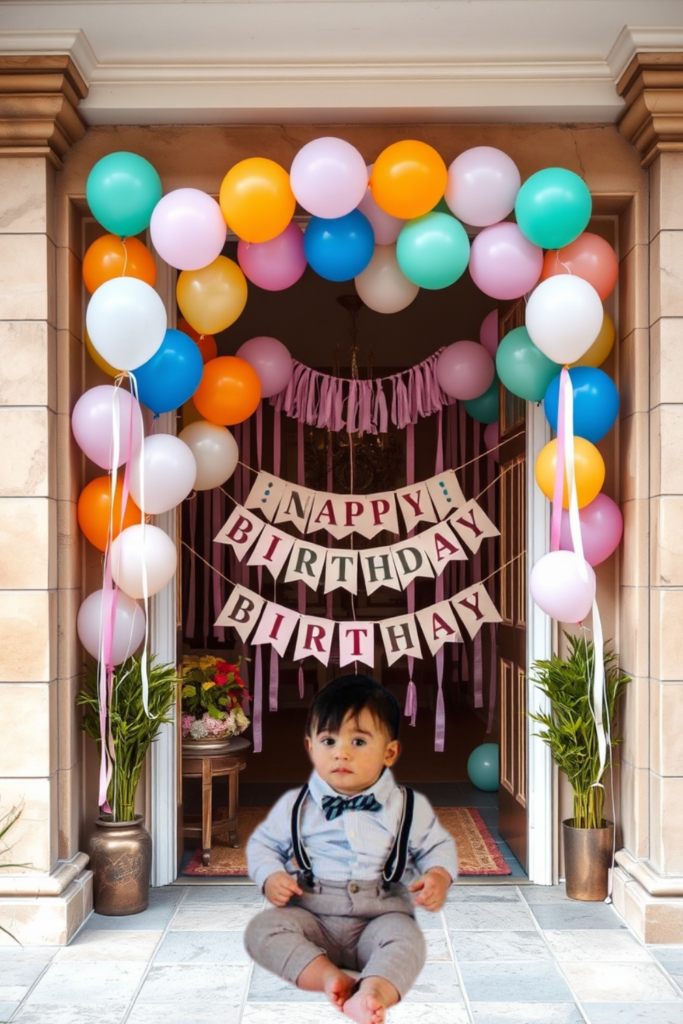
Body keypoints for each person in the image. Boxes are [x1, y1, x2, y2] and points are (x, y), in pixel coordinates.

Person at [244, 674, 458, 1024]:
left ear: (389, 752)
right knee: (262, 930)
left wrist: (438, 874)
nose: (340, 752)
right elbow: (263, 845)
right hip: (313, 913)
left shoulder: (407, 806)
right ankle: (330, 977)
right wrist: (271, 876)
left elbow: (438, 846)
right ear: (311, 747)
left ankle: (373, 991)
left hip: (381, 913)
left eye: (358, 741)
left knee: (407, 940)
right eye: (329, 740)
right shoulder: (296, 805)